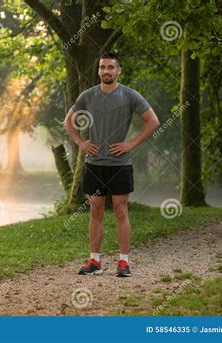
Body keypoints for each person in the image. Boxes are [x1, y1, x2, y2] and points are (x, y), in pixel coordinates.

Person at [63, 52, 160, 277]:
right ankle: (94, 261)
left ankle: (123, 262)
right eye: (103, 67)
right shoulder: (88, 96)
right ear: (98, 71)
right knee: (95, 210)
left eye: (111, 67)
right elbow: (68, 122)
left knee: (120, 210)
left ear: (118, 71)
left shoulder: (129, 95)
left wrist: (131, 144)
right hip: (95, 163)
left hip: (120, 164)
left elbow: (153, 121)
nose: (106, 71)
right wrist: (80, 143)